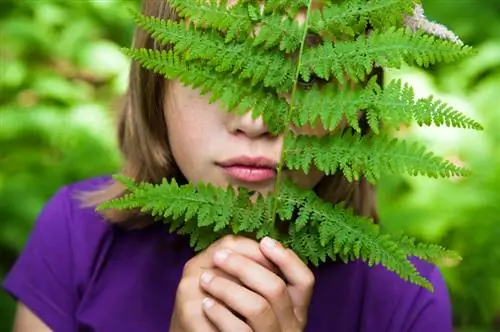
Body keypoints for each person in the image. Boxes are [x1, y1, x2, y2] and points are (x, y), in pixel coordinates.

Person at [3, 0, 456, 331]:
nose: (255, 120)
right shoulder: (78, 236)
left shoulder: (402, 300)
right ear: (154, 83)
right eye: (217, 69)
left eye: (306, 77)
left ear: (357, 105)